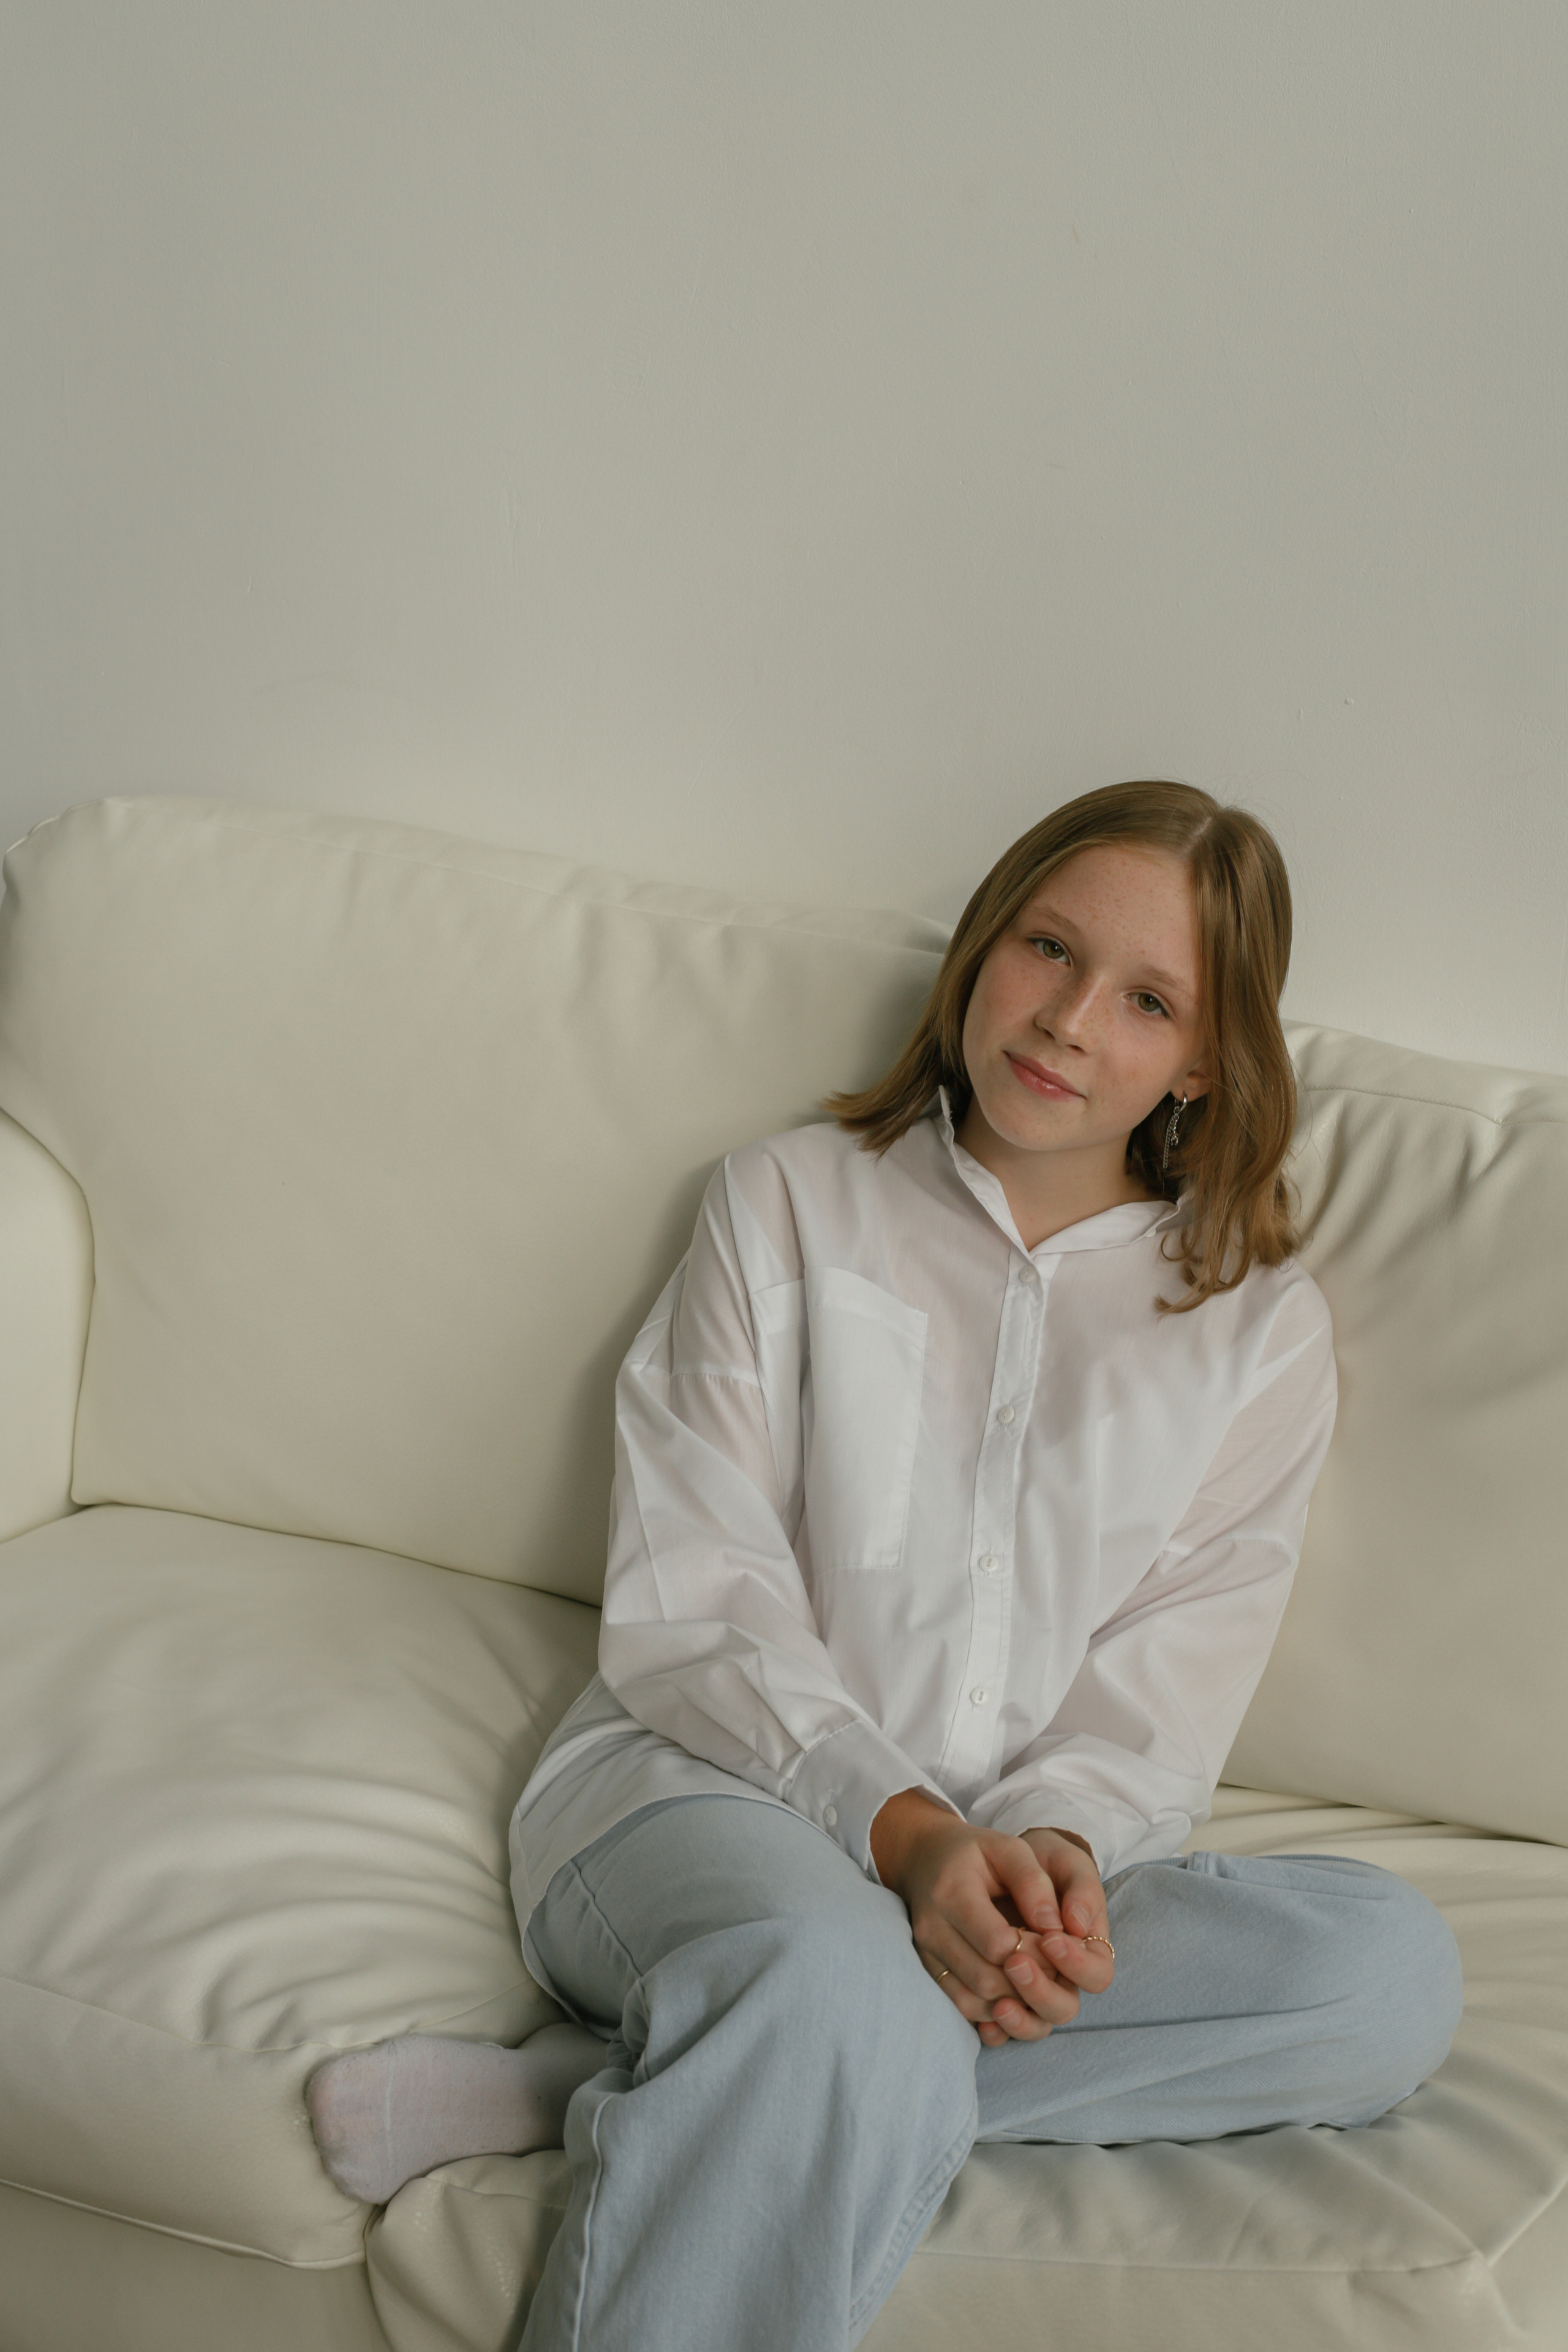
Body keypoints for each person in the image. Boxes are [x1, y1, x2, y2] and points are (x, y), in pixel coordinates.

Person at [307, 780, 1463, 2350]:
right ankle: (772, 2027)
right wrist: (901, 1832)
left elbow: (1163, 1689)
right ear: (984, 943)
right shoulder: (784, 1202)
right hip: (694, 1792)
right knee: (833, 1969)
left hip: (1018, 1867)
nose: (1064, 1018)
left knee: (1379, 1980)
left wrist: (1044, 1850)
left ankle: (652, 2078)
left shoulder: (1256, 1331)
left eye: (1142, 1000)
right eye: (1045, 948)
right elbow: (692, 1600)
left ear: (1202, 1058)